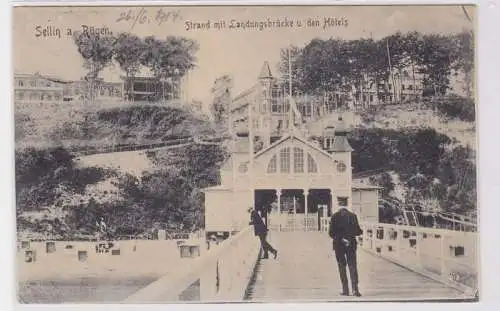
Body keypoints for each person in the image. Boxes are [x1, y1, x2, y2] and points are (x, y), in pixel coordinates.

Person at [328, 205, 363, 297]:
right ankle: (355, 290)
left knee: (342, 267)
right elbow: (358, 231)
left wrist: (342, 239)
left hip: (339, 245)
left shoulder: (334, 216)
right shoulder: (353, 216)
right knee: (353, 267)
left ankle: (345, 290)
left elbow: (331, 233)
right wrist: (354, 235)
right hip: (351, 244)